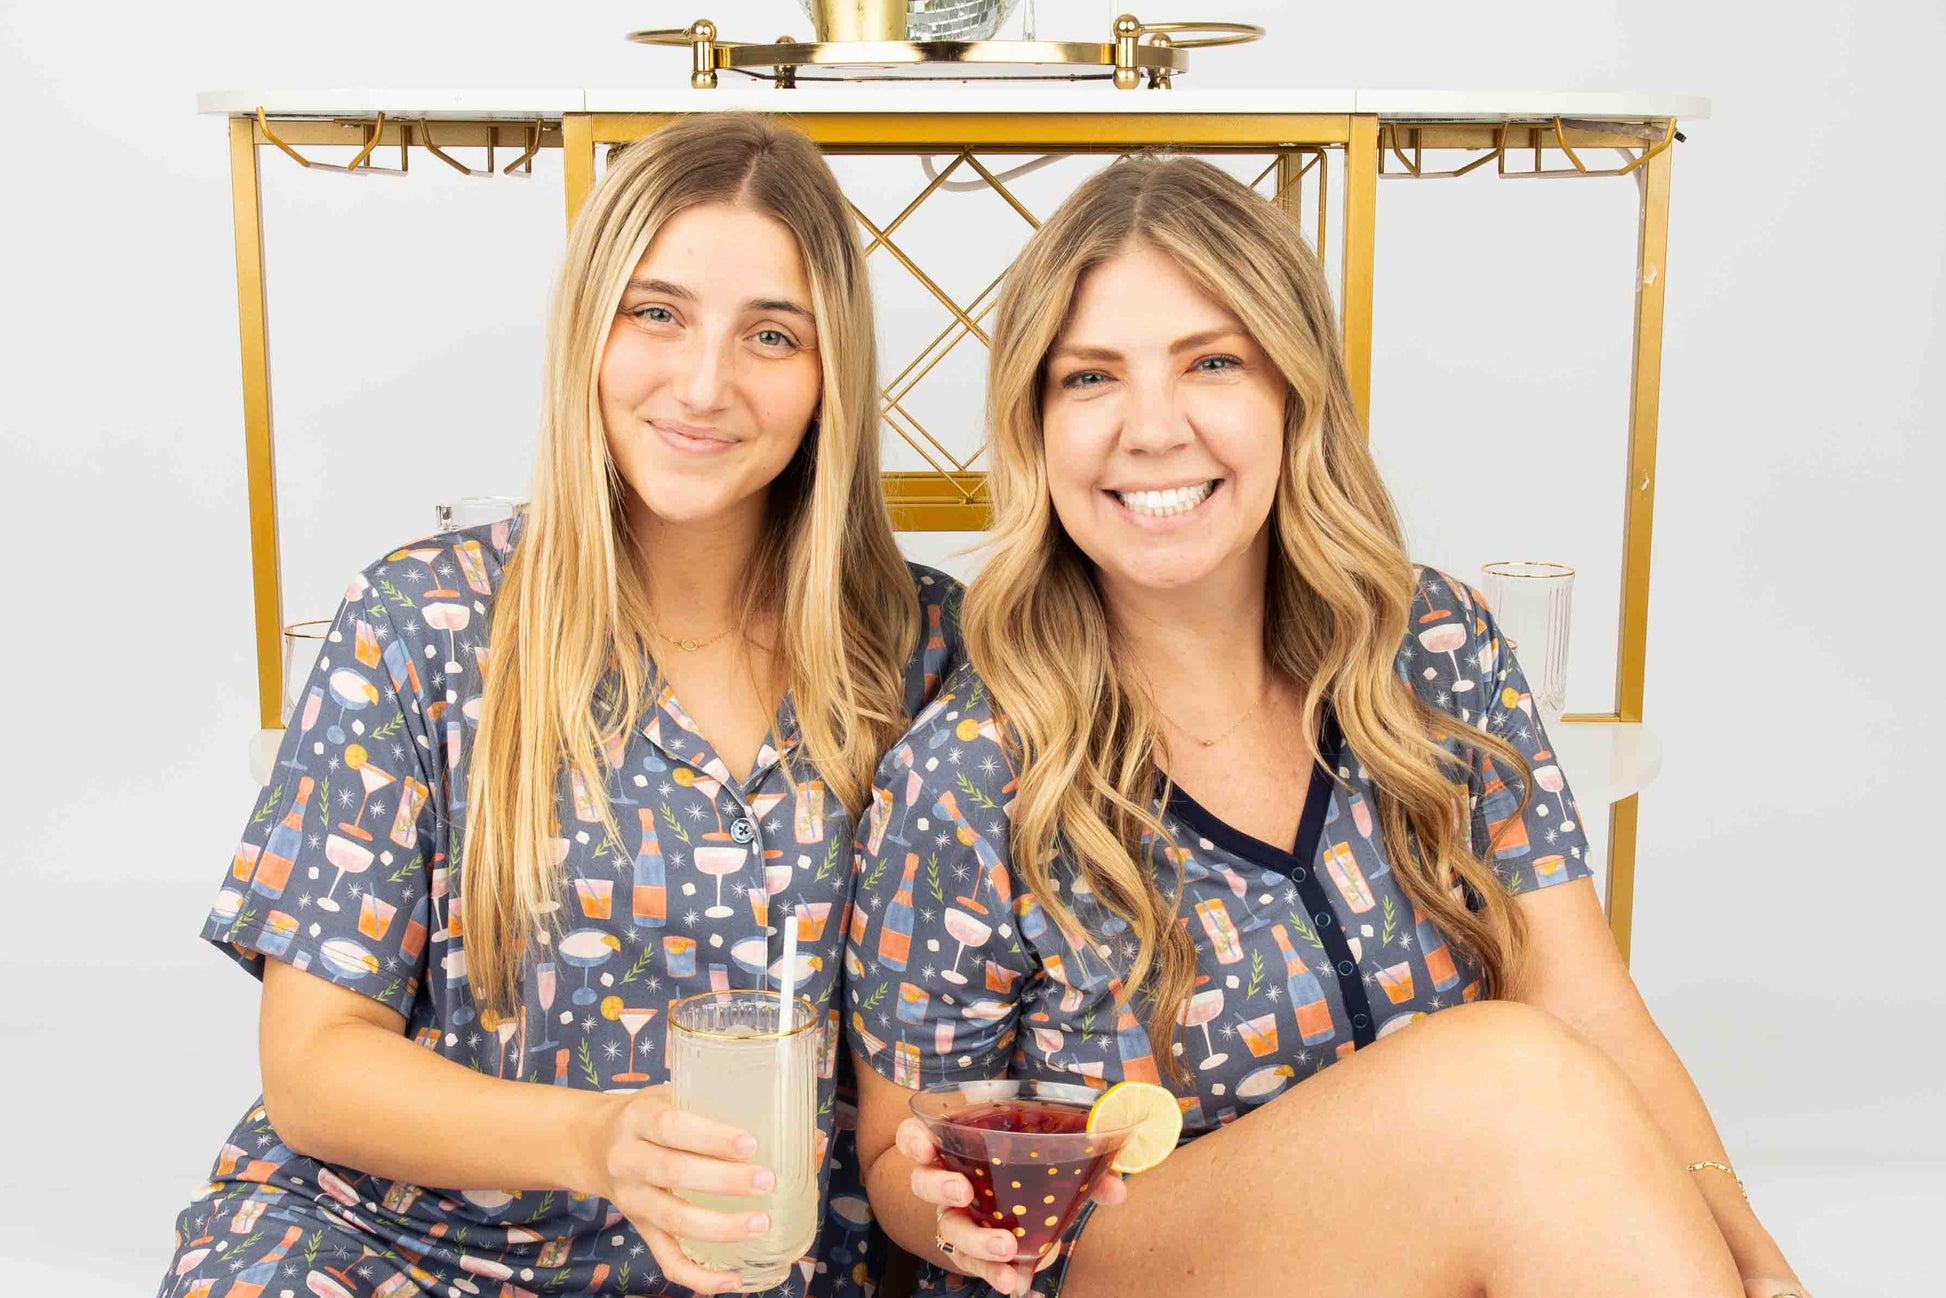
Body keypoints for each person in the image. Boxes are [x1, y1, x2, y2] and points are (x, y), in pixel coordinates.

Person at [844, 154, 1807, 1298]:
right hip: (1115, 1268)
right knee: (1502, 1078)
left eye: (1210, 361)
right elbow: (894, 1155)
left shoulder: (1434, 648)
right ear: (1034, 423)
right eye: (1089, 377)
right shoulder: (967, 770)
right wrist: (956, 1216)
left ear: (1293, 391)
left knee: (1533, 1080)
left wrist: (1756, 1256)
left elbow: (1587, 1003)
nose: (1151, 427)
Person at [157, 114, 962, 1298]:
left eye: (771, 335)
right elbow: (314, 1069)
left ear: (828, 372)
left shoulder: (922, 650)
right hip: (389, 1248)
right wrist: (598, 1139)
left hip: (751, 1262)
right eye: (658, 313)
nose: (703, 382)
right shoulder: (423, 618)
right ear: (590, 327)